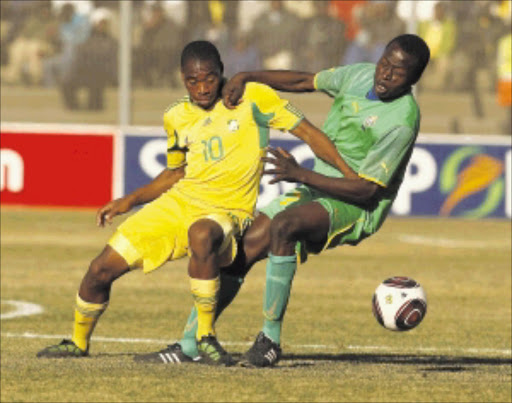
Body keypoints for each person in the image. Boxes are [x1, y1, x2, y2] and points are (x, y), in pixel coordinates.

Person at [36, 40, 354, 366]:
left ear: (221, 73)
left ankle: (204, 337)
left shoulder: (253, 98)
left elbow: (310, 133)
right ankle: (77, 342)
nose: (202, 88)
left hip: (228, 210)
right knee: (99, 269)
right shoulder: (176, 116)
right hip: (178, 204)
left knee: (201, 234)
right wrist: (129, 200)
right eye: (193, 81)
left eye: (210, 79)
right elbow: (175, 172)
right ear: (182, 78)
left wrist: (347, 175)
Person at [166, 33, 430, 367]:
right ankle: (189, 343)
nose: (385, 74)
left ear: (414, 80)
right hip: (317, 187)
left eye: (398, 71)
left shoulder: (402, 121)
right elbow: (306, 80)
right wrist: (248, 76)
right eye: (384, 63)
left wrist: (302, 174)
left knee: (285, 226)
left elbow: (368, 190)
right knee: (242, 249)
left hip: (356, 205)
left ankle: (270, 340)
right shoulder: (360, 74)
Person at [60, 9, 117, 110]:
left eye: (104, 23)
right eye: (100, 23)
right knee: (66, 82)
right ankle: (73, 108)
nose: (102, 26)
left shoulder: (111, 41)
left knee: (96, 84)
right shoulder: (85, 39)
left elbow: (111, 61)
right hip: (84, 71)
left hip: (101, 73)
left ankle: (94, 109)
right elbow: (79, 56)